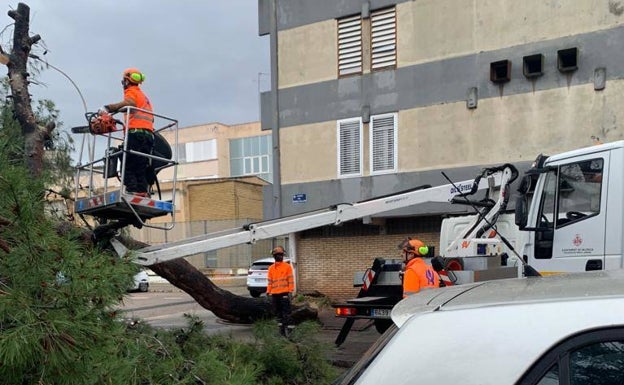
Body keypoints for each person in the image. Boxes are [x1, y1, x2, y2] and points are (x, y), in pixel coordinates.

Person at [104, 67, 154, 197]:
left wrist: (109, 108)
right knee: (140, 166)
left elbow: (130, 103)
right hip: (148, 136)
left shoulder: (131, 92)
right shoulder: (143, 96)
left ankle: (132, 190)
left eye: (123, 81)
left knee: (128, 164)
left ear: (126, 81)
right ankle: (142, 191)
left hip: (136, 134)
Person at [266, 245, 295, 336]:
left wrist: (290, 291)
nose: (280, 257)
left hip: (284, 293)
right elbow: (270, 281)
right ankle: (281, 331)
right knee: (278, 313)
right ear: (274, 256)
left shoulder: (287, 266)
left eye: (281, 255)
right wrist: (268, 291)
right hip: (275, 294)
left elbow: (290, 279)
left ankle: (290, 331)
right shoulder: (271, 268)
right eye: (278, 255)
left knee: (286, 312)